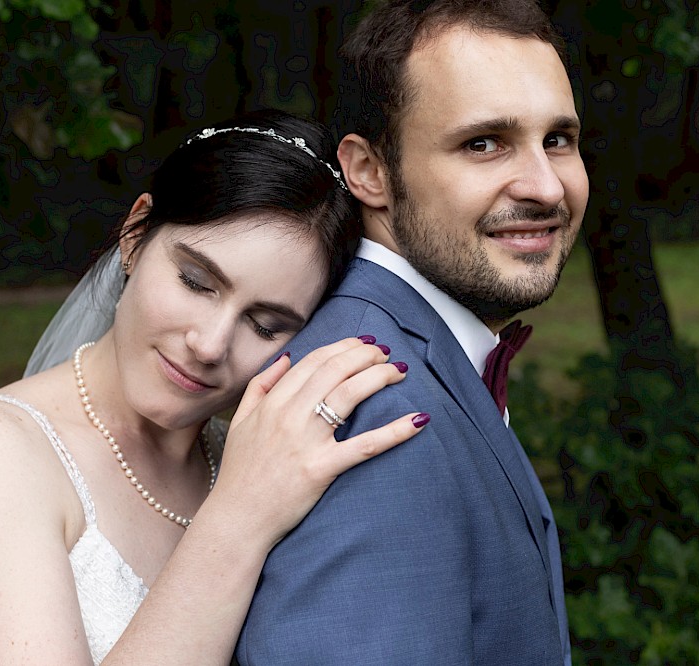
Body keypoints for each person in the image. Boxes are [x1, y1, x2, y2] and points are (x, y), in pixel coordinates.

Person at [0, 109, 430, 664]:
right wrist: (240, 519)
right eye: (196, 281)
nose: (209, 344)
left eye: (265, 324)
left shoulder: (261, 462)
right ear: (135, 235)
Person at [237, 1, 588, 664]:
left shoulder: (413, 354)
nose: (546, 186)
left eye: (559, 140)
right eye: (483, 143)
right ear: (369, 171)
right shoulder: (375, 407)